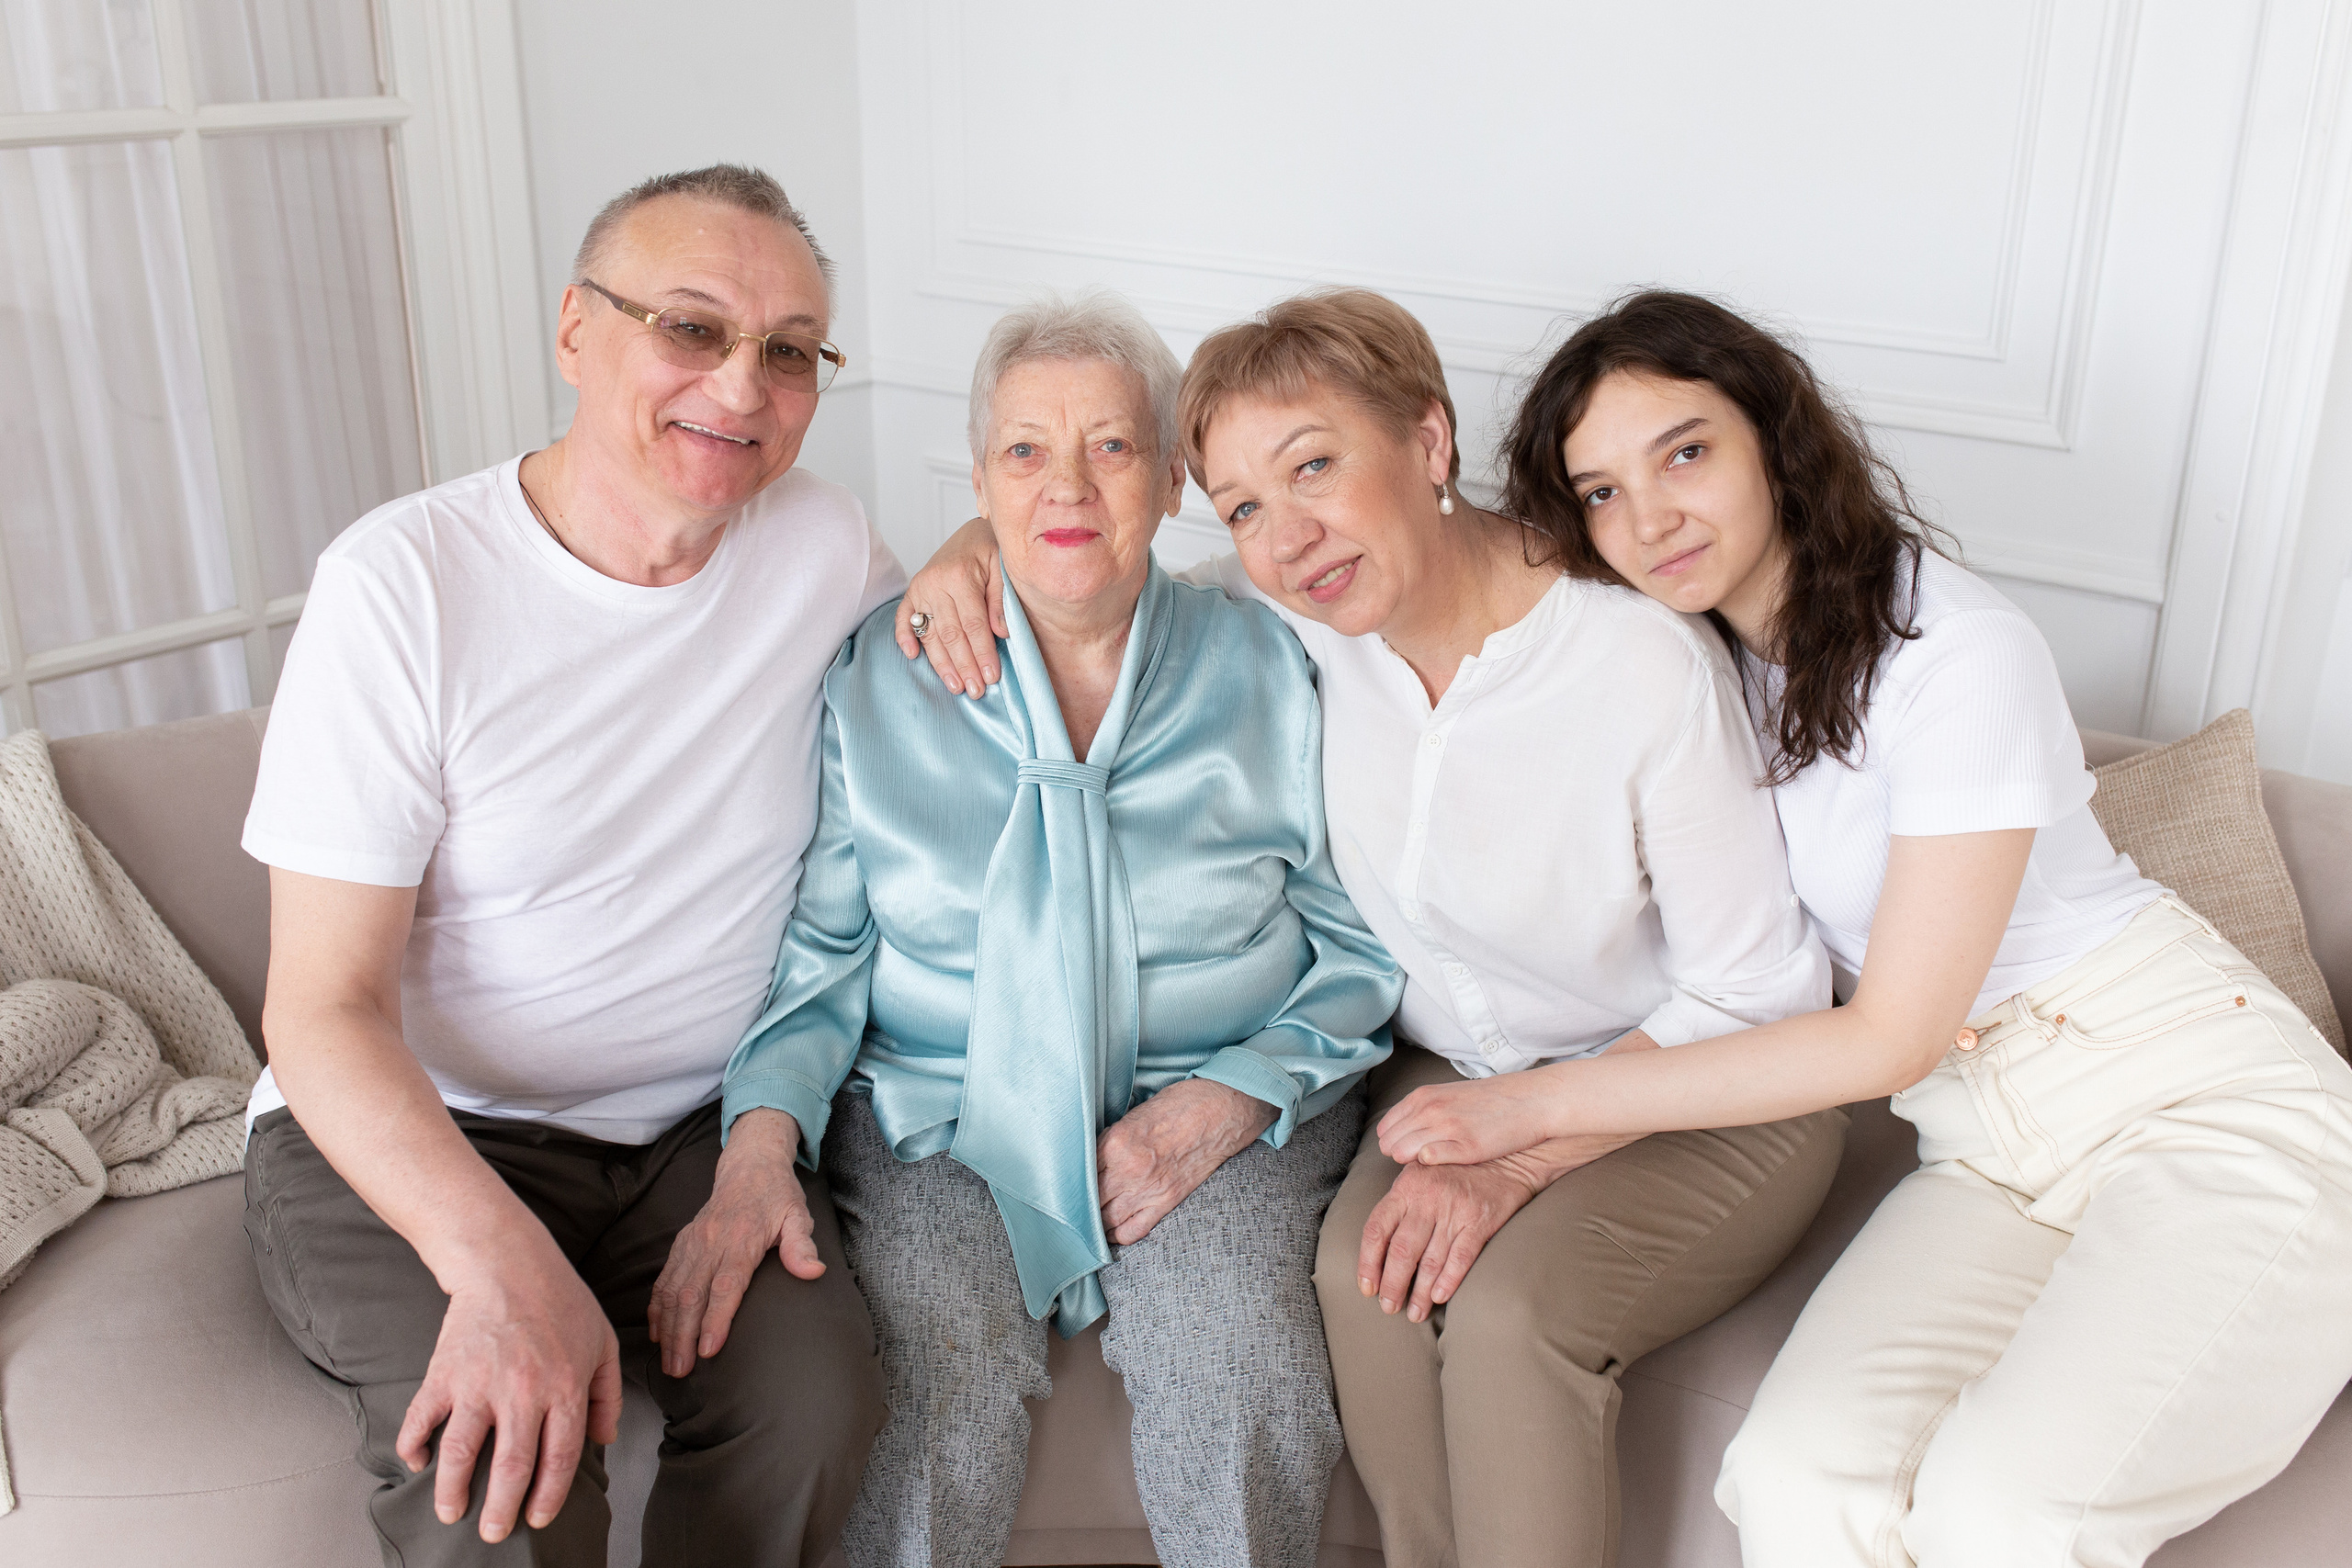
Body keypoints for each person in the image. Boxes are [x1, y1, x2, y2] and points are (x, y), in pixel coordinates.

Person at [1369, 288, 2352, 1567]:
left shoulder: (1959, 653)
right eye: (1599, 491)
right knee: (1793, 1478)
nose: (1649, 515)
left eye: (1684, 452)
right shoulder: (1689, 670)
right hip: (1985, 1147)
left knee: (2007, 1511)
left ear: (1775, 436)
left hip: (2197, 1105)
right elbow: (1417, 571)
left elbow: (1889, 1034)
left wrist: (1536, 1111)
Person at [899, 288, 1848, 1568]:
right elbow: (1095, 560)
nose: (1286, 536)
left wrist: (1517, 1153)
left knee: (1506, 1317)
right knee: (1369, 1284)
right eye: (1242, 506)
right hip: (1455, 1082)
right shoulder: (1295, 621)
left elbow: (1761, 991)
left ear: (1430, 443)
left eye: (1317, 469)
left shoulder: (1636, 664)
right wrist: (969, 544)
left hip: (1699, 1082)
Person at [650, 292, 1401, 1568]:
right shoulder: (876, 674)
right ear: (982, 483)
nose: (1067, 487)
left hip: (1217, 1098)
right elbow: (822, 965)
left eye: (1110, 448)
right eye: (1023, 452)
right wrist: (758, 1145)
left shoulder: (1276, 662)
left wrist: (1228, 1101)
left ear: (1173, 482)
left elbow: (1358, 956)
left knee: (1229, 1350)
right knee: (935, 1363)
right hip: (943, 1111)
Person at [239, 164, 896, 1566]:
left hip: (695, 1137)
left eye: (790, 351)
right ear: (575, 332)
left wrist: (966, 560)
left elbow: (964, 693)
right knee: (502, 1479)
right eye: (691, 327)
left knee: (820, 1404)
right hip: (432, 1126)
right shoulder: (403, 585)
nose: (740, 384)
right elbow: (320, 1010)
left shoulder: (826, 549)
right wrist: (497, 1263)